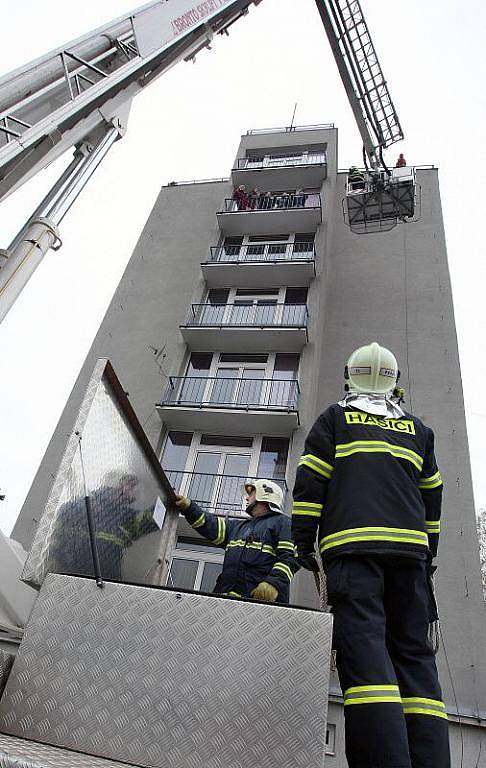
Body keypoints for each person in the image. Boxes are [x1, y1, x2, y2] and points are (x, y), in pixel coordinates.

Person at [292, 342, 450, 768]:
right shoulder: (418, 430)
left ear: (349, 376)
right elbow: (432, 496)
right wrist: (426, 556)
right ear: (393, 383)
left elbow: (311, 483)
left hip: (354, 555)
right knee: (415, 660)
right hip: (410, 562)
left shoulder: (336, 420)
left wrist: (302, 543)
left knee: (367, 662)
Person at [175, 479, 299, 602]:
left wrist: (274, 584)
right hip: (224, 600)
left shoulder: (283, 524)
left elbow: (289, 558)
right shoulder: (238, 527)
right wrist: (189, 508)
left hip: (260, 605)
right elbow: (210, 525)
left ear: (264, 493)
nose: (247, 498)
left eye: (251, 494)